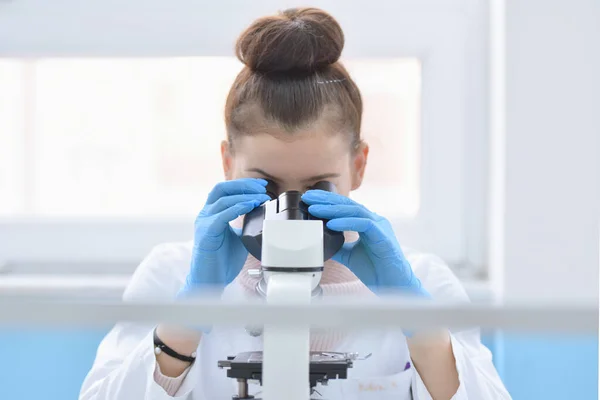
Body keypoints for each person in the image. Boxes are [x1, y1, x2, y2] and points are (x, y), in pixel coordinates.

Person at [80, 8, 510, 400]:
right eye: (266, 187)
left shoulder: (426, 282)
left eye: (318, 185)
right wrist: (188, 316)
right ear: (228, 163)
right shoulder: (170, 275)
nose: (290, 212)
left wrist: (418, 321)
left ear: (358, 166)